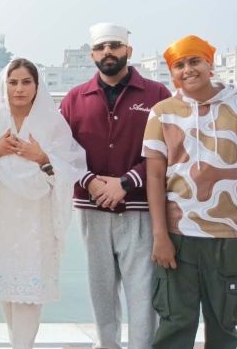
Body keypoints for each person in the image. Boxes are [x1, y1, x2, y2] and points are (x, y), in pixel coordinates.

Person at [60, 23, 170, 349]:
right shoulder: (75, 98)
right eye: (101, 47)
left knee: (141, 291)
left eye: (114, 45)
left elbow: (165, 148)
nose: (108, 52)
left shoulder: (156, 95)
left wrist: (126, 182)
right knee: (101, 291)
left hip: (139, 208)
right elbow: (61, 149)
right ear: (92, 54)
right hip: (91, 209)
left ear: (128, 51)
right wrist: (90, 182)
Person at [0, 58, 86, 349]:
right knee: (7, 288)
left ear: (37, 85)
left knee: (31, 288)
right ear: (5, 85)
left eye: (26, 82)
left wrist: (41, 157)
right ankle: (17, 343)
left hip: (35, 217)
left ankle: (24, 345)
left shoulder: (51, 121)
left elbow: (70, 166)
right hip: (0, 213)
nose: (19, 89)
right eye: (13, 82)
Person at [143, 35, 237, 348]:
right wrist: (160, 236)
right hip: (178, 237)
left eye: (195, 61)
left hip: (229, 239)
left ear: (210, 65)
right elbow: (155, 176)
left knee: (227, 328)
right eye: (179, 65)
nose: (188, 70)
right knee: (175, 325)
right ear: (171, 73)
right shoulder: (161, 113)